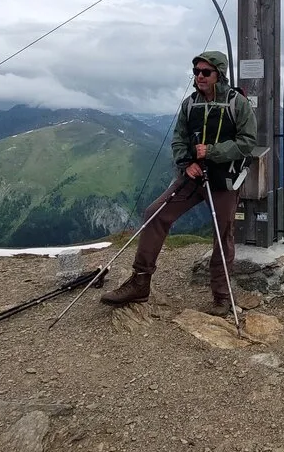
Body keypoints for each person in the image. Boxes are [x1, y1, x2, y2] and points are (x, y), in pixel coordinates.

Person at [100, 50, 257, 317]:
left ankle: (221, 296)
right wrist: (186, 163)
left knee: (222, 234)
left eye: (205, 72)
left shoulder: (237, 103)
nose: (199, 76)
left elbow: (247, 143)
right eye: (196, 72)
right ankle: (140, 282)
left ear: (219, 74)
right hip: (193, 176)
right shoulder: (190, 104)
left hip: (224, 180)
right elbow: (179, 139)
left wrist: (212, 152)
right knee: (154, 214)